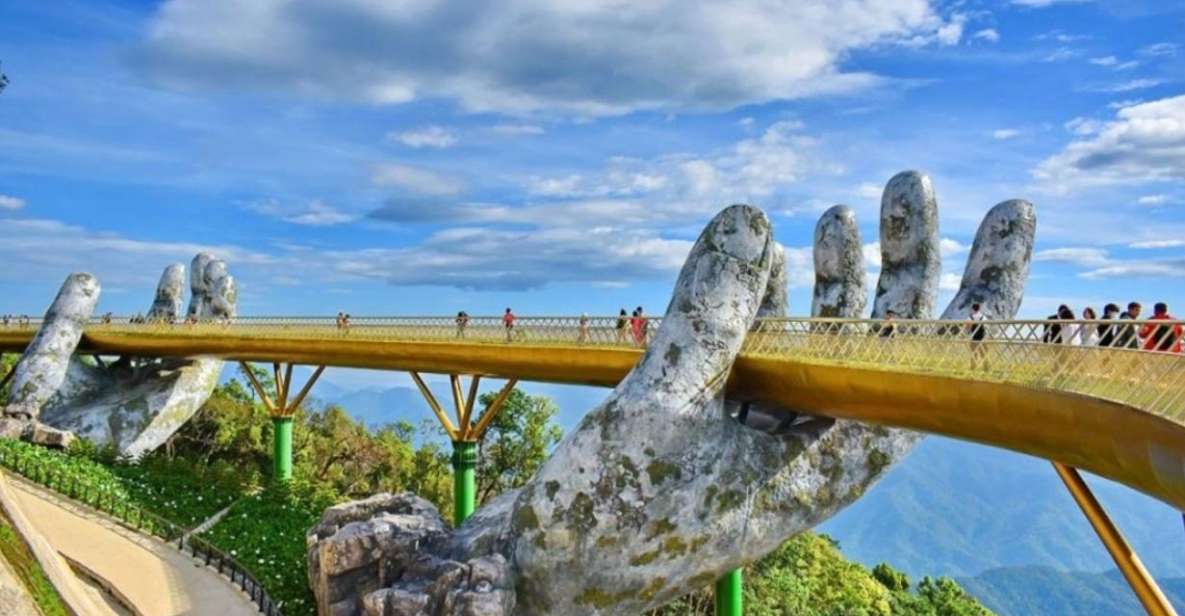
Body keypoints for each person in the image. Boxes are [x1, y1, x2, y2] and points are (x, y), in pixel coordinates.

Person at [968, 303, 989, 369]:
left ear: (972, 309)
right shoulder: (983, 316)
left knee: (974, 352)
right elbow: (986, 325)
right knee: (983, 353)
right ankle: (985, 367)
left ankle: (973, 367)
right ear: (979, 309)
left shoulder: (970, 317)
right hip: (982, 336)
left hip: (973, 337)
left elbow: (968, 326)